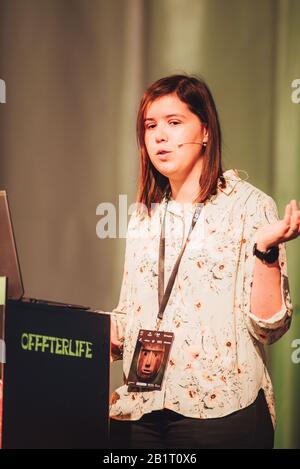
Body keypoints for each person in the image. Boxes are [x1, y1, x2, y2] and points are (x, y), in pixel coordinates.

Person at [108, 74, 299, 449]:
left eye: (173, 122)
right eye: (150, 126)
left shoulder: (249, 205)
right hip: (142, 406)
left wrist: (265, 250)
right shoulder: (143, 215)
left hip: (221, 411)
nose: (159, 136)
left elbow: (270, 327)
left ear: (206, 131)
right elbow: (129, 314)